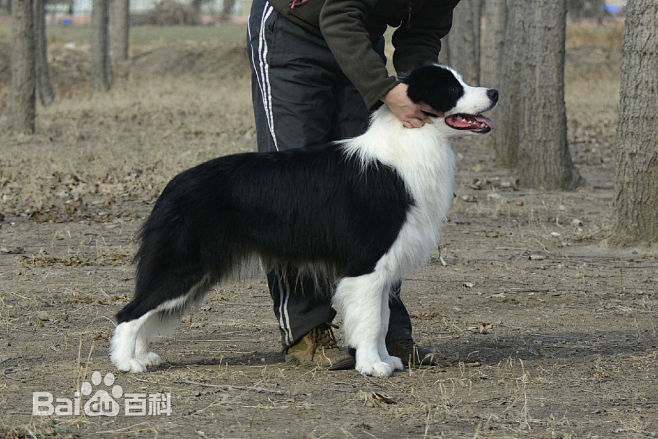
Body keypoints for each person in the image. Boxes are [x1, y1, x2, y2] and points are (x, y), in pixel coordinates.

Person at [247, 0, 460, 369]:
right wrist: (383, 89)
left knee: (372, 197)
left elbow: (422, 31)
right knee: (296, 190)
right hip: (293, 29)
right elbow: (337, 13)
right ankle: (307, 329)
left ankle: (383, 335)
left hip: (359, 39)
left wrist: (414, 94)